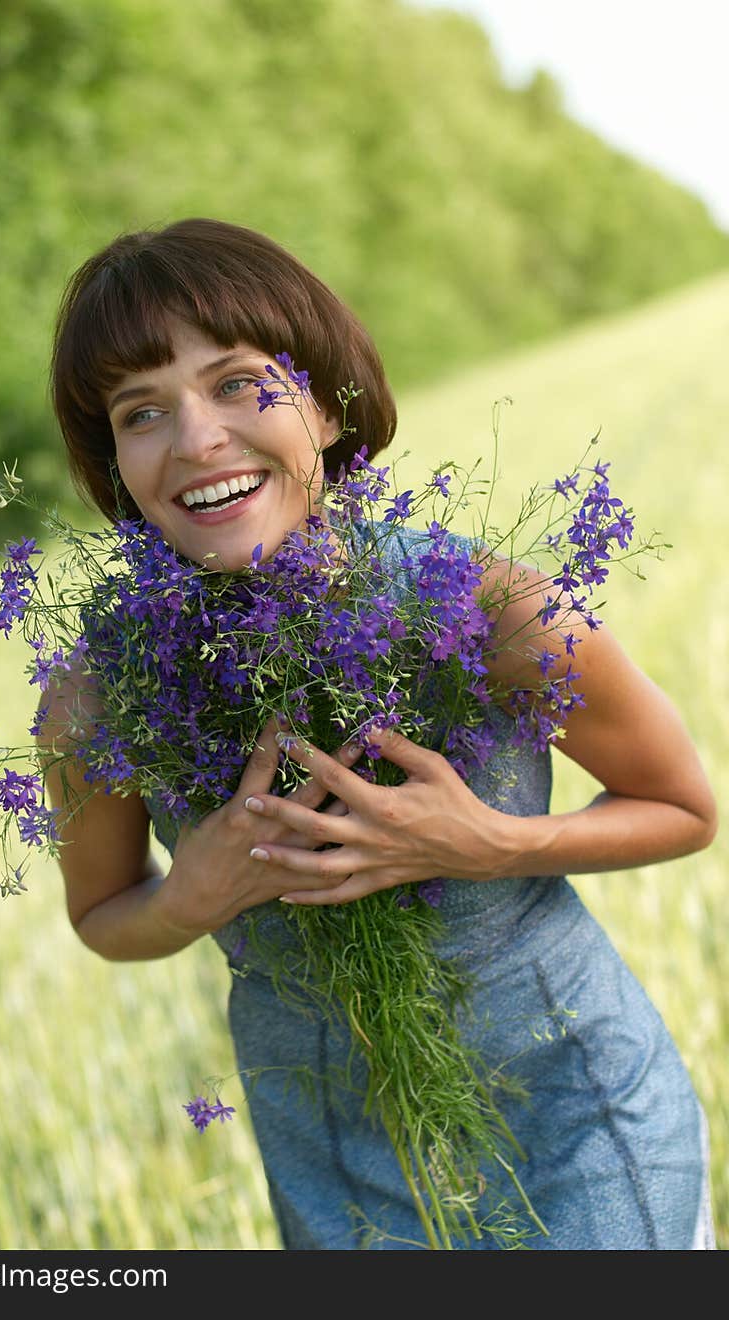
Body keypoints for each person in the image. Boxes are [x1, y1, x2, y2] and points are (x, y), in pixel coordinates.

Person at [42, 217, 717, 1250]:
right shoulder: (98, 695)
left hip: (573, 1123)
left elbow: (683, 807)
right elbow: (102, 916)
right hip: (329, 1156)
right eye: (142, 412)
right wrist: (189, 895)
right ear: (117, 465)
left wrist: (488, 843)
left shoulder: (483, 607)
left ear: (321, 401)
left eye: (236, 384)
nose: (195, 440)